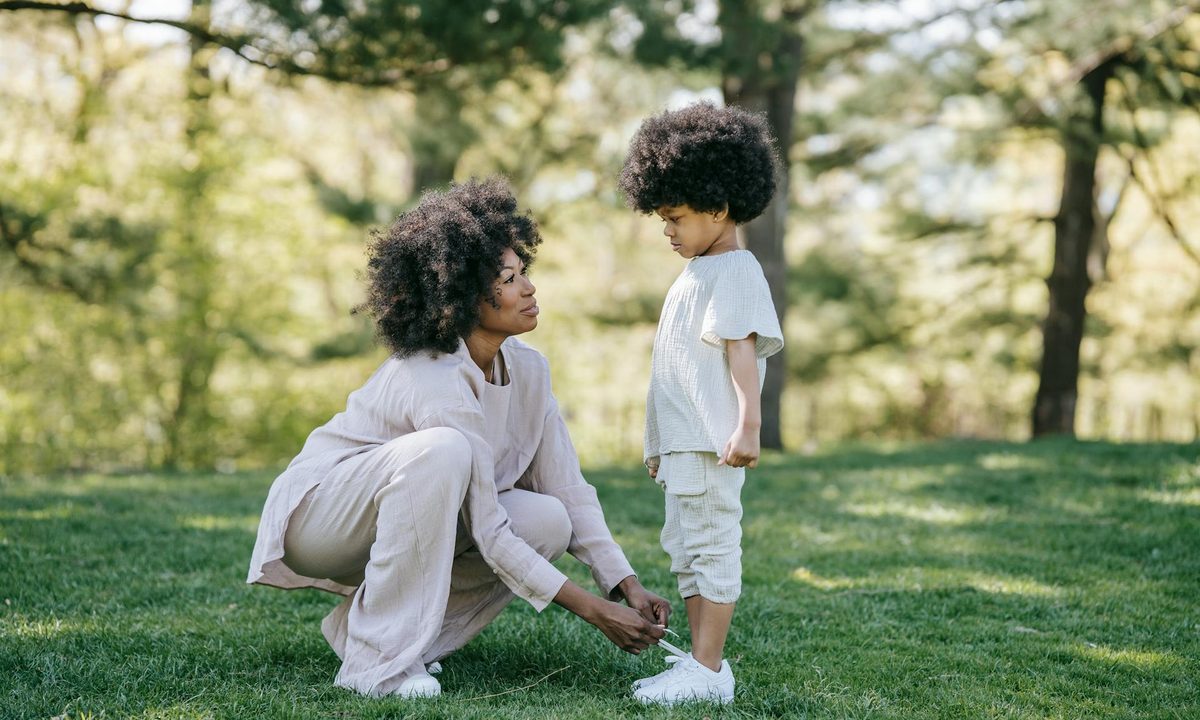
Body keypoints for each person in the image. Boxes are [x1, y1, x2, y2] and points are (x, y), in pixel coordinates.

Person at [246, 177, 670, 698]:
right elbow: (489, 532)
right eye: (509, 278)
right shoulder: (434, 375)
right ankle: (377, 664)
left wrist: (624, 584)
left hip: (408, 508)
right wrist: (592, 610)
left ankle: (390, 641)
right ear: (464, 297)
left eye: (524, 273)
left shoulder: (530, 372)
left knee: (547, 519)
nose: (529, 288)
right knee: (443, 451)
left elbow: (569, 490)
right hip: (321, 520)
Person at [617, 102, 785, 705]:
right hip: (687, 445)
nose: (668, 231)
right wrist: (658, 444)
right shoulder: (694, 272)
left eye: (676, 218)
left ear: (718, 207)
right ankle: (697, 664)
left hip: (715, 443)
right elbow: (675, 371)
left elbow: (742, 355)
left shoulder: (734, 270)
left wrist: (748, 426)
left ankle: (711, 671)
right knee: (686, 550)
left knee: (712, 545)